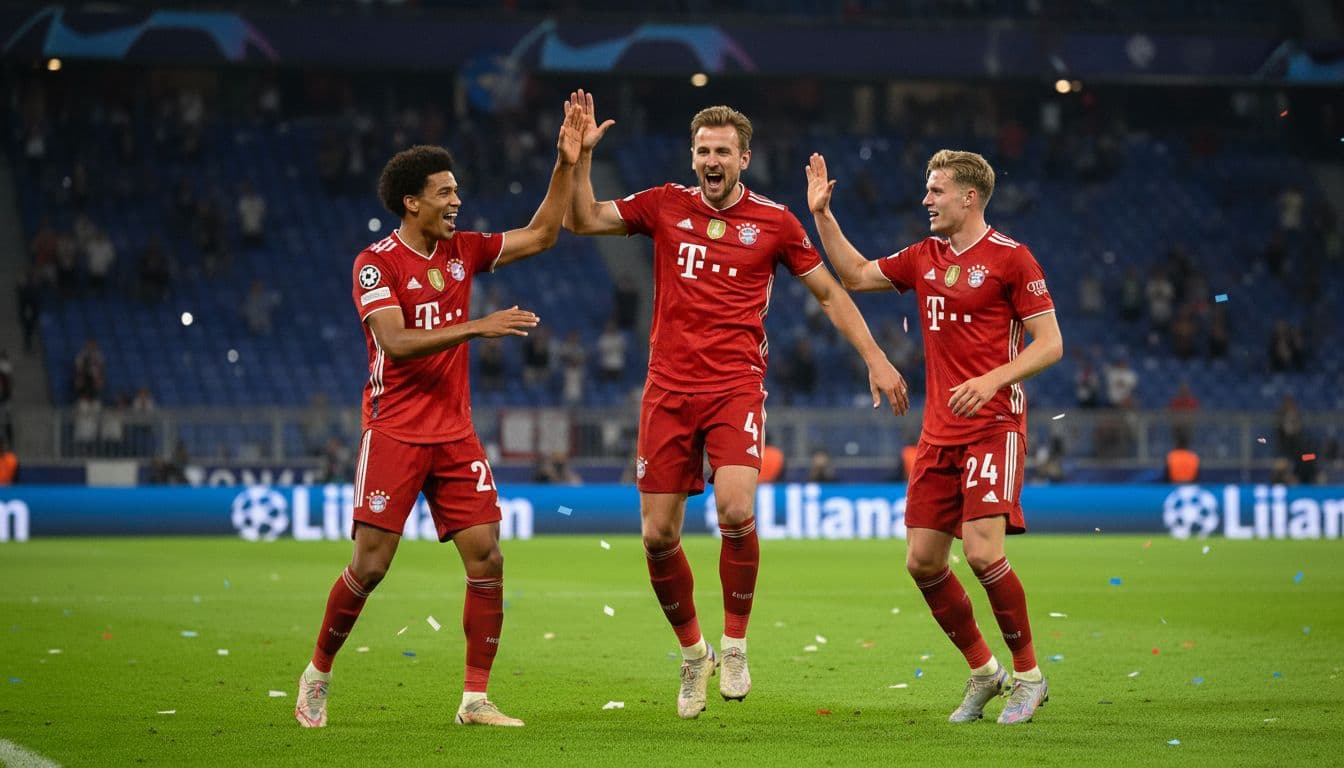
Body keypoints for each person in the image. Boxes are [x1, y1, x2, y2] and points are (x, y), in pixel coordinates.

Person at [565, 91, 907, 719]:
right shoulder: (664, 205)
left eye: (723, 150)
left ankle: (736, 642)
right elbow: (581, 219)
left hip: (734, 388)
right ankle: (695, 656)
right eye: (703, 149)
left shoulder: (775, 222)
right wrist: (580, 160)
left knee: (735, 508)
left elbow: (830, 293)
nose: (711, 159)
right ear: (692, 157)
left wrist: (876, 357)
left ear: (744, 158)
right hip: (667, 391)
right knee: (657, 534)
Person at [294, 100, 583, 730]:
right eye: (444, 192)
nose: (457, 200)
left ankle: (474, 700)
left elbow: (542, 234)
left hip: (454, 434)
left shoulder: (464, 252)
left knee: (488, 558)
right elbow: (394, 343)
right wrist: (476, 325)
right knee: (370, 566)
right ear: (411, 202)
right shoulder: (376, 264)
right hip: (394, 430)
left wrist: (565, 166)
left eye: (456, 190)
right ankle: (318, 673)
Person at [806, 149, 1063, 725]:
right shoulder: (924, 257)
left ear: (969, 197)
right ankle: (984, 671)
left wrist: (993, 379)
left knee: (980, 552)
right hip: (939, 432)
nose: (926, 200)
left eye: (936, 190)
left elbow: (1051, 344)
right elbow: (855, 274)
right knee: (923, 563)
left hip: (996, 424)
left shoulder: (1012, 259)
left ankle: (1028, 676)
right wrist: (823, 215)